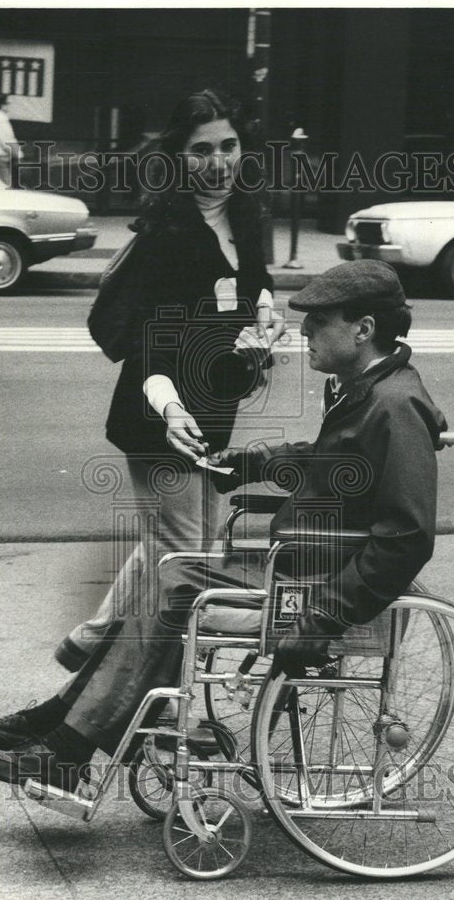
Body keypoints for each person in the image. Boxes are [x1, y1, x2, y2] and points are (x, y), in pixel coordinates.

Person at [0, 260, 447, 795]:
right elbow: (331, 460)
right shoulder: (369, 387)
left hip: (316, 586)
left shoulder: (394, 406)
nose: (301, 330)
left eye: (318, 320)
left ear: (363, 328)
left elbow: (407, 537)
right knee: (167, 575)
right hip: (302, 566)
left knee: (173, 583)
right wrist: (249, 464)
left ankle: (66, 745)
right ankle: (56, 724)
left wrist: (323, 616)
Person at [51, 88, 285, 673]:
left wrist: (265, 313)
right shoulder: (168, 232)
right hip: (161, 413)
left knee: (178, 545)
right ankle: (159, 717)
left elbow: (254, 282)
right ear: (179, 158)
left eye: (229, 145)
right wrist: (171, 409)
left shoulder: (246, 212)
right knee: (188, 565)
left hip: (209, 409)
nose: (219, 161)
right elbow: (150, 342)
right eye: (201, 150)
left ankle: (92, 639)